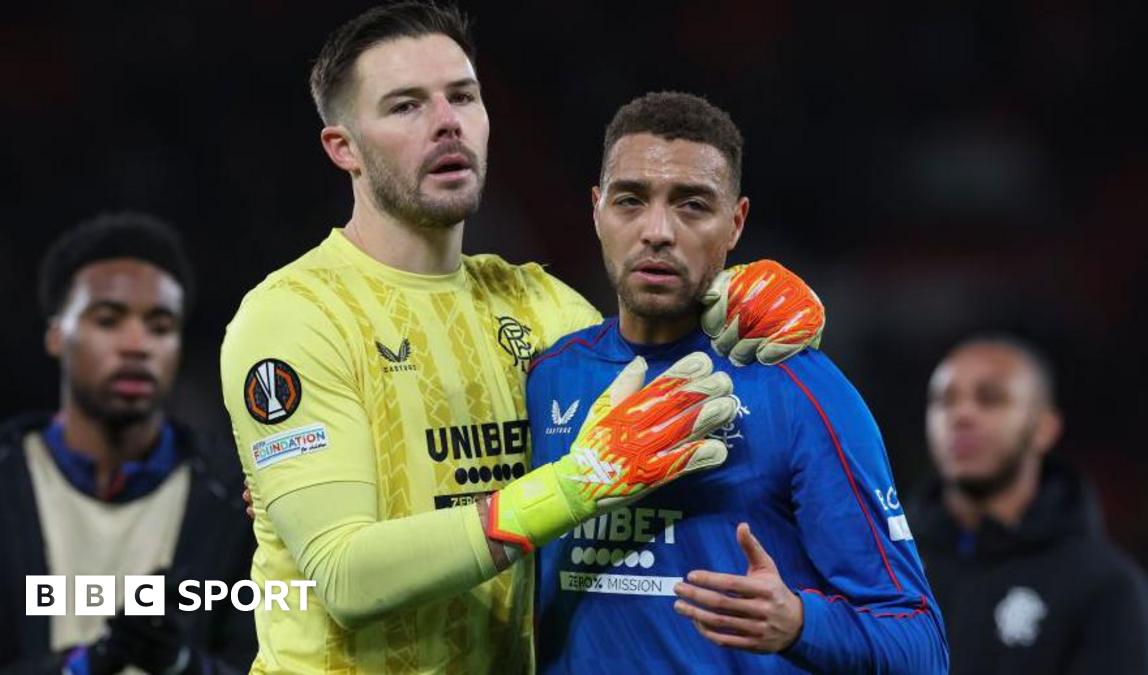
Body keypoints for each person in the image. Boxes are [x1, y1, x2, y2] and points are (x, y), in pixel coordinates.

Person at [219, 3, 823, 673]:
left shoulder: (542, 306)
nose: (447, 122)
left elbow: (677, 406)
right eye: (405, 106)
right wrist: (575, 485)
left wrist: (750, 312)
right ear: (344, 148)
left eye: (463, 96)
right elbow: (345, 576)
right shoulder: (294, 315)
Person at [528, 91, 948, 673]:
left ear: (736, 222)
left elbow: (922, 646)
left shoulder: (799, 391)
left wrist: (800, 622)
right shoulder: (548, 377)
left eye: (692, 205)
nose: (657, 231)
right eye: (630, 200)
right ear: (597, 210)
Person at [0, 213, 255, 674]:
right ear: (57, 334)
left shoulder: (237, 498)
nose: (137, 344)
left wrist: (180, 663)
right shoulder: (9, 480)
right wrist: (84, 665)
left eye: (160, 326)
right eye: (108, 320)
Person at [910, 335, 1148, 674]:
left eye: (990, 399)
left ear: (1044, 428)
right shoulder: (887, 562)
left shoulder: (1105, 586)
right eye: (944, 400)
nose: (961, 415)